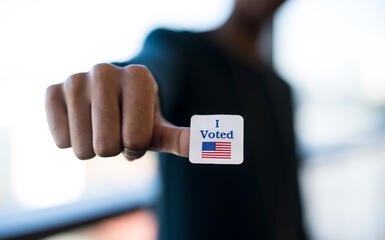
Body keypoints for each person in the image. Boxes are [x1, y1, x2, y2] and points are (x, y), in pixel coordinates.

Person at [45, 0, 307, 239]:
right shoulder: (180, 49)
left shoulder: (280, 90)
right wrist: (131, 88)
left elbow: (289, 200)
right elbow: (154, 68)